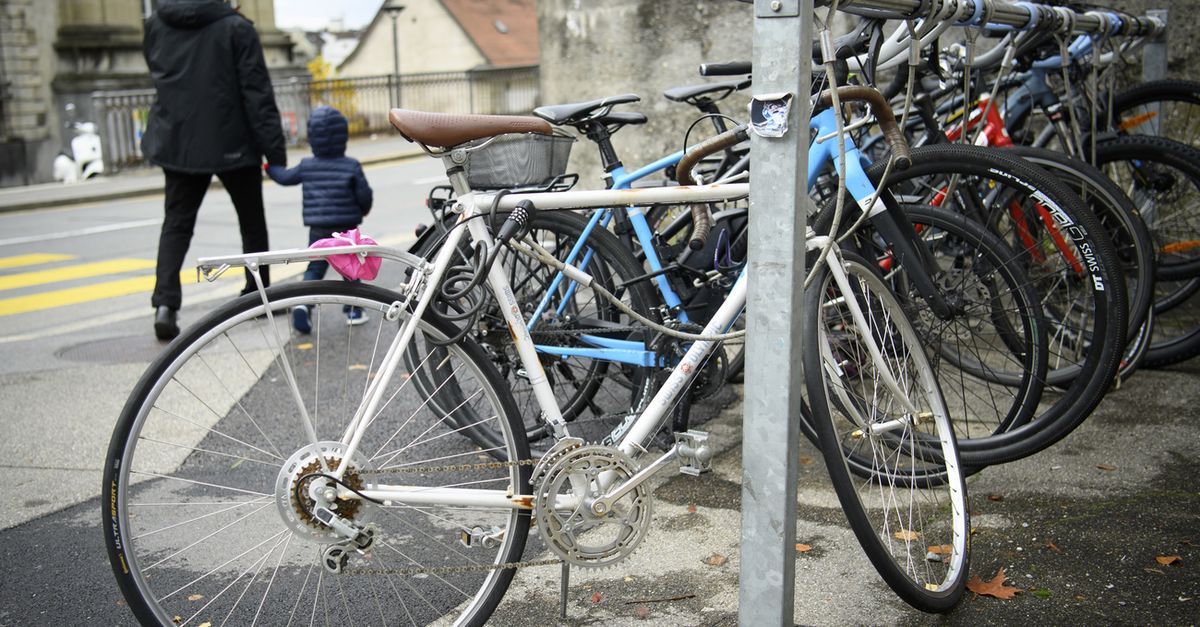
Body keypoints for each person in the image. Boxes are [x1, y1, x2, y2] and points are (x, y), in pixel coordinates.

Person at [141, 0, 287, 340]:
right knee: (251, 221)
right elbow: (257, 92)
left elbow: (160, 73)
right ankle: (256, 293)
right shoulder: (237, 28)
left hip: (178, 140)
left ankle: (165, 304)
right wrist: (274, 152)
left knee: (176, 224)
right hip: (232, 138)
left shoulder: (156, 24)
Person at [266, 105, 374, 333]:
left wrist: (270, 167)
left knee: (315, 267)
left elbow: (285, 178)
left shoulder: (306, 166)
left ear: (312, 137)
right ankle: (353, 310)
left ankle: (304, 304)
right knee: (350, 268)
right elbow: (364, 195)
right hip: (346, 229)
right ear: (343, 136)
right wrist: (363, 210)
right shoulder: (351, 165)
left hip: (318, 228)